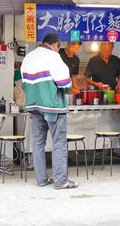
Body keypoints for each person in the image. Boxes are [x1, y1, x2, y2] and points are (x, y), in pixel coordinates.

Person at [21, 33, 78, 189]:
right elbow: (65, 83)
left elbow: (23, 84)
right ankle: (61, 181)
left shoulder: (28, 57)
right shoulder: (53, 57)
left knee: (38, 144)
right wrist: (69, 89)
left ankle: (42, 179)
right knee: (59, 143)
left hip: (34, 106)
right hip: (53, 107)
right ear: (55, 45)